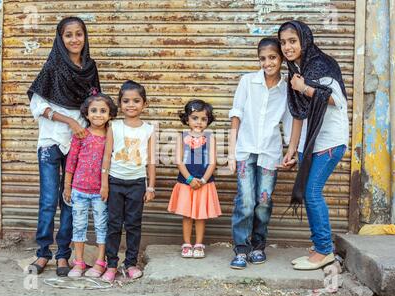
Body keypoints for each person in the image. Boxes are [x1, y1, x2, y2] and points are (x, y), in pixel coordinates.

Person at [27, 17, 101, 276]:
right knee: (48, 200)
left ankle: (63, 254)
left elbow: (95, 106)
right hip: (50, 142)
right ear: (60, 39)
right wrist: (68, 119)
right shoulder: (52, 67)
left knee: (70, 199)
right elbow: (37, 106)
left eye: (78, 34)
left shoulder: (90, 69)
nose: (74, 39)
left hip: (78, 145)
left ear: (85, 36)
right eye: (68, 35)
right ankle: (43, 253)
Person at [278, 20, 349, 270]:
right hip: (313, 143)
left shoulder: (322, 64)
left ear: (304, 40)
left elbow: (333, 99)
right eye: (283, 42)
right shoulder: (297, 69)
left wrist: (303, 87)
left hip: (330, 141)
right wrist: (291, 149)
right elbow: (299, 113)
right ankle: (320, 245)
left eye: (292, 41)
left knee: (312, 193)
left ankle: (324, 250)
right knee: (310, 194)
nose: (287, 47)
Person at [228, 38, 292, 269]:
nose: (268, 62)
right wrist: (231, 153)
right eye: (263, 58)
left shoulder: (287, 88)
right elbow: (236, 115)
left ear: (281, 59)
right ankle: (241, 249)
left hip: (270, 152)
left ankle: (258, 246)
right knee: (245, 200)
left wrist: (290, 151)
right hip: (245, 151)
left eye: (273, 57)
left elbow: (289, 120)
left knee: (263, 201)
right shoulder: (248, 81)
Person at [99, 80, 156, 282]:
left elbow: (151, 161)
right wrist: (104, 183)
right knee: (114, 224)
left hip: (137, 183)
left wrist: (150, 186)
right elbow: (106, 156)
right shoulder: (114, 126)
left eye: (136, 101)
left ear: (144, 104)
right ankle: (111, 264)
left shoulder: (148, 129)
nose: (131, 105)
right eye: (126, 101)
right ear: (120, 104)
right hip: (115, 181)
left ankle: (131, 263)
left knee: (133, 224)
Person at [63, 93, 117, 278]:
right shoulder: (81, 134)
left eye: (103, 111)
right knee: (79, 226)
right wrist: (67, 186)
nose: (98, 115)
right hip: (79, 190)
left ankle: (100, 262)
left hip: (100, 191)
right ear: (86, 114)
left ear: (110, 115)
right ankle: (79, 262)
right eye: (93, 111)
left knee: (102, 226)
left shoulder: (111, 136)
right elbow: (71, 161)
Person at [168, 100, 222, 258]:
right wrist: (190, 179)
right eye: (195, 118)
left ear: (208, 121)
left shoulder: (210, 139)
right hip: (186, 183)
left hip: (204, 184)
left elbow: (212, 162)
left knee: (200, 215)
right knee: (187, 215)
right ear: (187, 119)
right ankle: (186, 243)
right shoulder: (181, 137)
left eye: (203, 119)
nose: (199, 122)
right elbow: (179, 161)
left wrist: (203, 180)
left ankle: (199, 244)